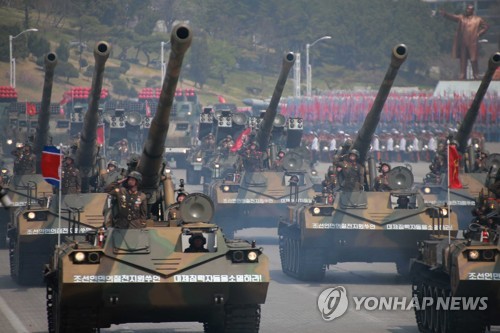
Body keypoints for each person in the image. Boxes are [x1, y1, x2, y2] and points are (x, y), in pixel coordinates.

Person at [440, 4, 489, 80]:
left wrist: (479, 33)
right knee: (463, 60)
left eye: (469, 9)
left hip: (473, 43)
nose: (467, 10)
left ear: (472, 10)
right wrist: (445, 14)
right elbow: (453, 17)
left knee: (473, 59)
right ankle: (462, 75)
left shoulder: (478, 19)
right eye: (467, 9)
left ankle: (476, 75)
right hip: (463, 43)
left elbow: (486, 26)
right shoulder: (462, 18)